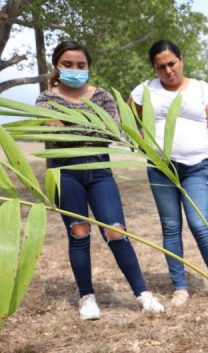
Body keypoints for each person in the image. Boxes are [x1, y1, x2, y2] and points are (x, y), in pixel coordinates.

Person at [36, 41, 165, 321]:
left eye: (81, 65)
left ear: (88, 67)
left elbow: (110, 131)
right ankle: (87, 297)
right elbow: (55, 135)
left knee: (116, 231)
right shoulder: (46, 99)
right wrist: (87, 126)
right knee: (79, 233)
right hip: (64, 173)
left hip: (100, 173)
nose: (75, 69)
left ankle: (142, 294)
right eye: (68, 64)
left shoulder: (103, 96)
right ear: (57, 66)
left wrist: (72, 125)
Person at [131, 40, 208, 307]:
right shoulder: (144, 91)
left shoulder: (202, 89)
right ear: (154, 67)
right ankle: (180, 288)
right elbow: (129, 121)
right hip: (161, 168)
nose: (168, 70)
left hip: (196, 167)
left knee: (200, 225)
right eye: (161, 66)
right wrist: (144, 145)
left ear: (181, 60)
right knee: (171, 227)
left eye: (172, 63)